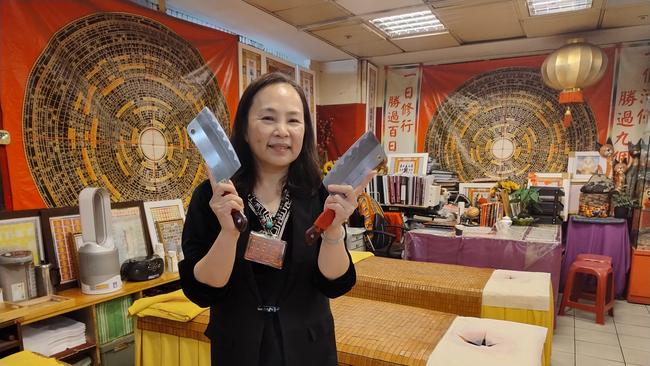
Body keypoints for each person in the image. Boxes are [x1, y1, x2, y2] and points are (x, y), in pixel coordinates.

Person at [179, 72, 374, 366]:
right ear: (244, 129)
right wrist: (228, 233)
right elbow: (202, 290)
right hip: (238, 349)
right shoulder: (214, 197)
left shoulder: (321, 194)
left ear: (304, 132)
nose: (282, 131)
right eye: (268, 119)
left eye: (293, 121)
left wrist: (334, 231)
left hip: (309, 349)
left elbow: (334, 284)